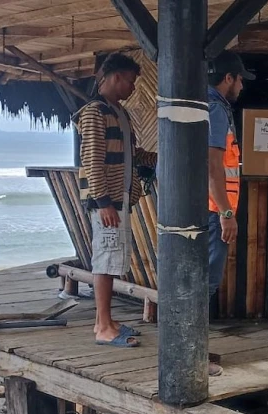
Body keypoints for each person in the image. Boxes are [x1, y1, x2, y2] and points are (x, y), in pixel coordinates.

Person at [75, 53, 156, 348]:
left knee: (112, 260)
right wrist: (104, 202)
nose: (133, 88)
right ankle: (103, 327)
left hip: (119, 199)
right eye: (131, 81)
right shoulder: (94, 113)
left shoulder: (120, 113)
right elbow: (92, 160)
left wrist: (160, 158)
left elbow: (133, 155)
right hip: (107, 201)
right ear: (116, 77)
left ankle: (104, 321)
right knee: (105, 261)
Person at [205, 50, 255, 375]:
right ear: (228, 78)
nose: (242, 87)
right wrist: (226, 213)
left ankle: (195, 350)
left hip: (207, 209)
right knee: (205, 283)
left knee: (199, 282)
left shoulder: (207, 105)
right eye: (240, 80)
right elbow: (212, 165)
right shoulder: (216, 109)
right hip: (212, 212)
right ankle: (193, 353)